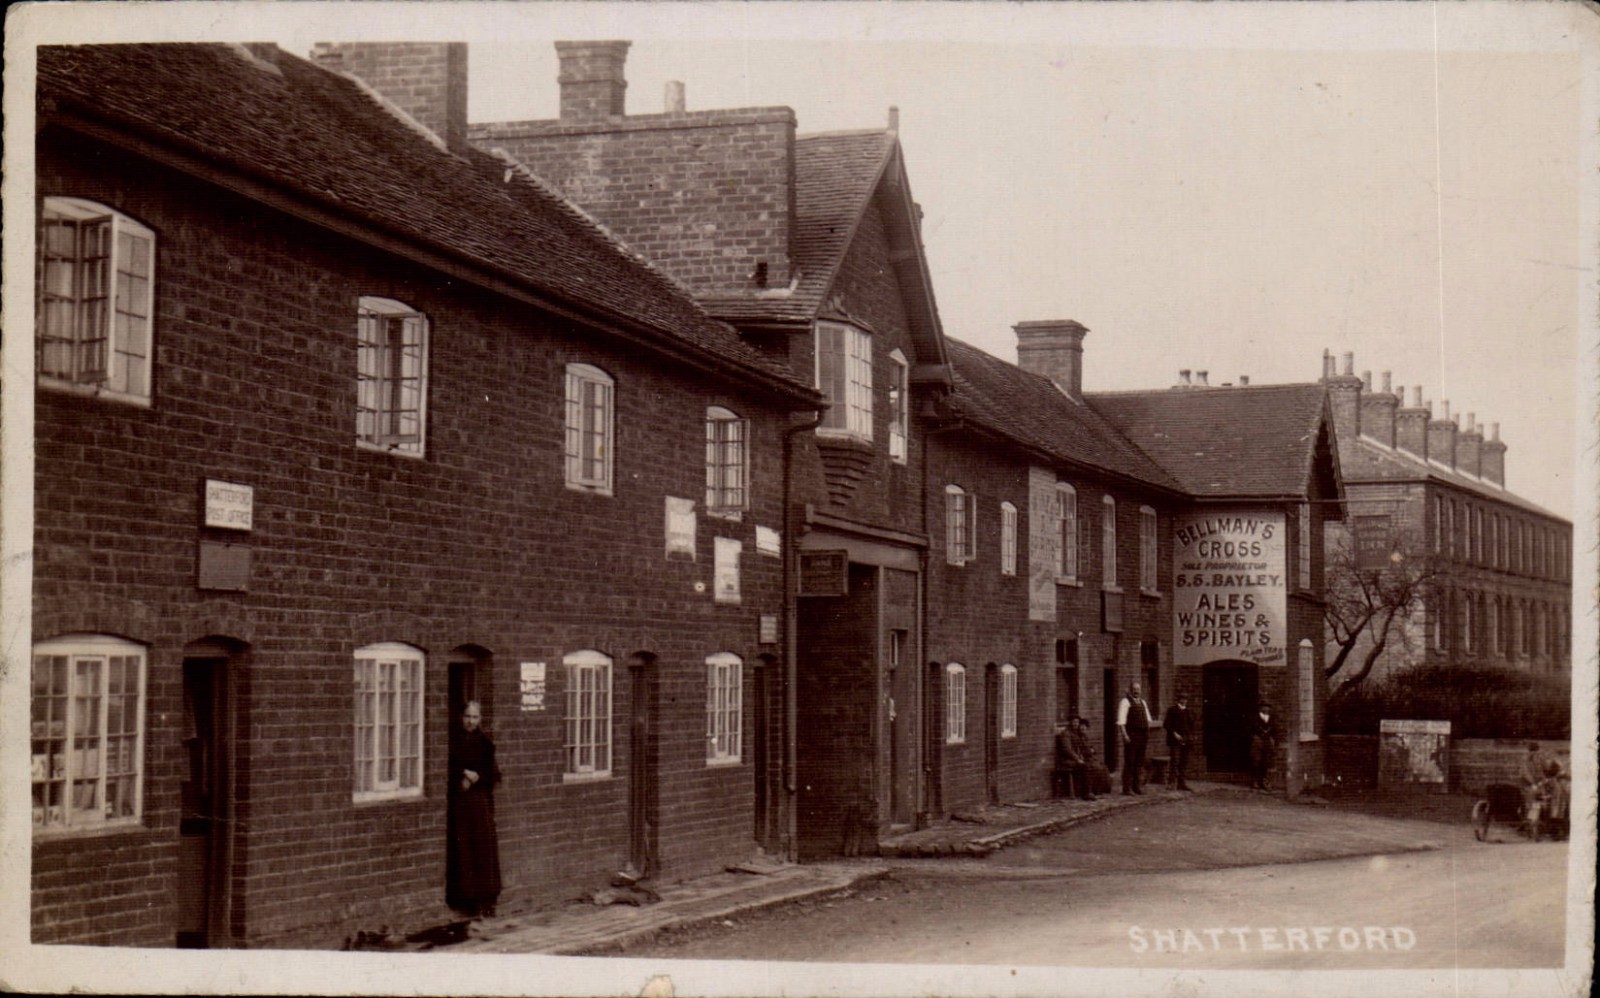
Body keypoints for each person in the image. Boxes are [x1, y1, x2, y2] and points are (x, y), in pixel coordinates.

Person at [447, 701, 502, 920]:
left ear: (480, 719)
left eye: (474, 717)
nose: (470, 721)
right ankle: (465, 900)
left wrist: (477, 778)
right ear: (461, 718)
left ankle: (486, 899)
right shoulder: (453, 741)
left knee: (483, 847)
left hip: (479, 802)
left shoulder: (485, 744)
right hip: (460, 802)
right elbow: (447, 765)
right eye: (467, 717)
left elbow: (494, 774)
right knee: (463, 848)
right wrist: (462, 774)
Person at [1117, 681, 1154, 795]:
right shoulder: (1125, 702)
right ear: (1130, 690)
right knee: (1130, 761)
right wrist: (1125, 735)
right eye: (1134, 689)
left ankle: (1136, 786)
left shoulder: (1143, 702)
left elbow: (1148, 720)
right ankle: (1127, 788)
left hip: (1142, 736)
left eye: (1138, 689)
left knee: (1139, 762)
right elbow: (1121, 721)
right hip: (1131, 736)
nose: (1136, 691)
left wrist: (1147, 733)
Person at [1054, 722, 1095, 800]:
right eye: (1074, 722)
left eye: (1077, 722)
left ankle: (1093, 790)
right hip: (1065, 761)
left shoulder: (1076, 734)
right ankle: (1086, 793)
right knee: (1085, 766)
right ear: (1070, 723)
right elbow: (1067, 750)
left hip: (1074, 759)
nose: (1076, 724)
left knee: (1091, 765)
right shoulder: (1066, 734)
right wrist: (1077, 759)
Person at [1075, 717, 1113, 796]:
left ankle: (1100, 789)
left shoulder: (1086, 737)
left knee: (1103, 767)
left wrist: (1092, 750)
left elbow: (1093, 749)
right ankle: (1089, 791)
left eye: (1085, 727)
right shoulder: (1077, 738)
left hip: (1090, 757)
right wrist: (1089, 751)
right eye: (1081, 727)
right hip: (1083, 758)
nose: (1083, 728)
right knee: (1092, 767)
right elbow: (1079, 750)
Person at [1163, 695, 1193, 791]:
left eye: (1185, 699)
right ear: (1178, 700)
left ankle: (1182, 783)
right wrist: (1174, 733)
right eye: (1182, 699)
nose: (1184, 701)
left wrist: (1189, 736)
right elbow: (1166, 724)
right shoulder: (1172, 710)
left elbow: (1191, 725)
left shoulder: (1188, 711)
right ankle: (1171, 783)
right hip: (1175, 740)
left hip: (1185, 739)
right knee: (1175, 761)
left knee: (1184, 761)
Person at [1249, 701, 1277, 791]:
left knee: (1266, 762)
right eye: (1264, 707)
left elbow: (1275, 730)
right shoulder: (1255, 718)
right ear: (1260, 708)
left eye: (1268, 707)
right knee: (1256, 761)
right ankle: (1255, 781)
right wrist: (1255, 737)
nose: (1266, 709)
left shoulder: (1271, 719)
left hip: (1267, 742)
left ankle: (1265, 782)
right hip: (1257, 741)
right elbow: (1250, 730)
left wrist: (1272, 739)